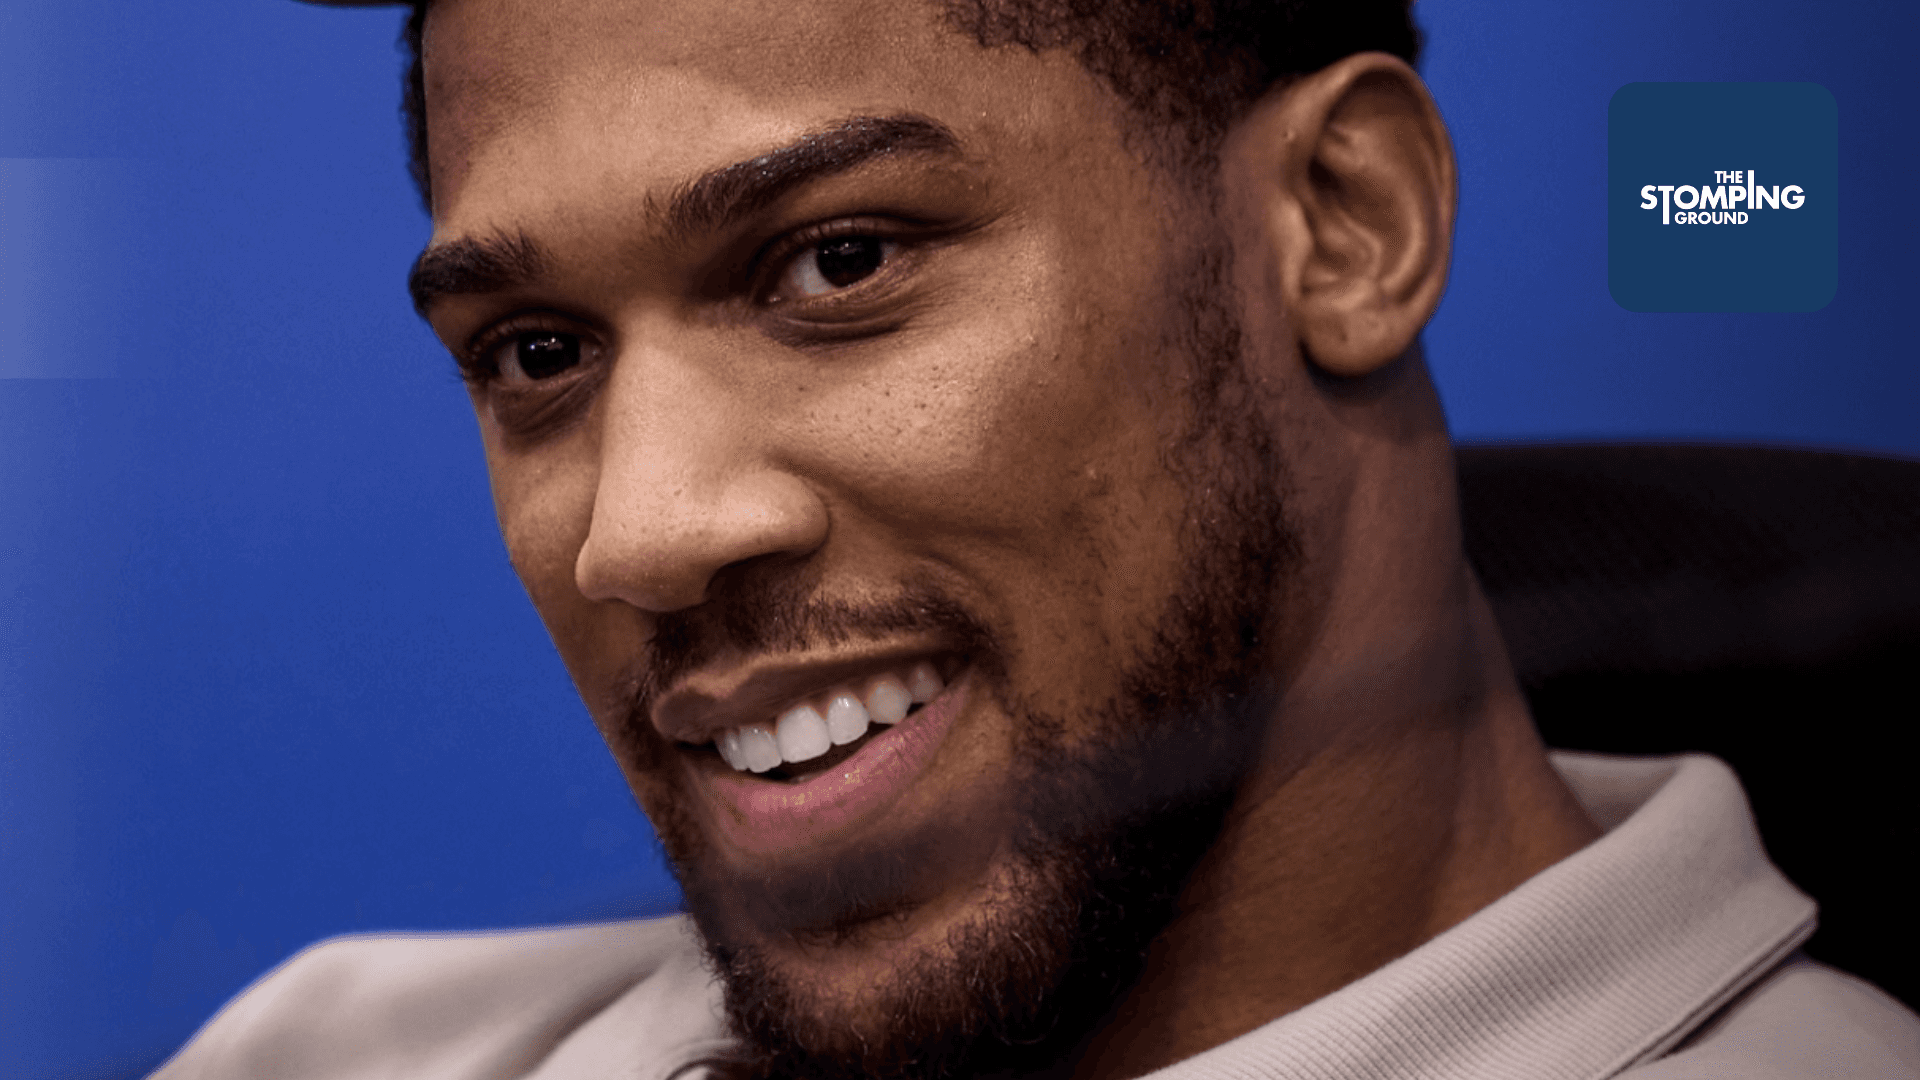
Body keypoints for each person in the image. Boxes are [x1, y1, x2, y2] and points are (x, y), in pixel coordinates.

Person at [153, 0, 1920, 1077]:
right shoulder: (339, 1049)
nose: (645, 532)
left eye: (840, 260)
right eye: (537, 356)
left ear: (1346, 223)